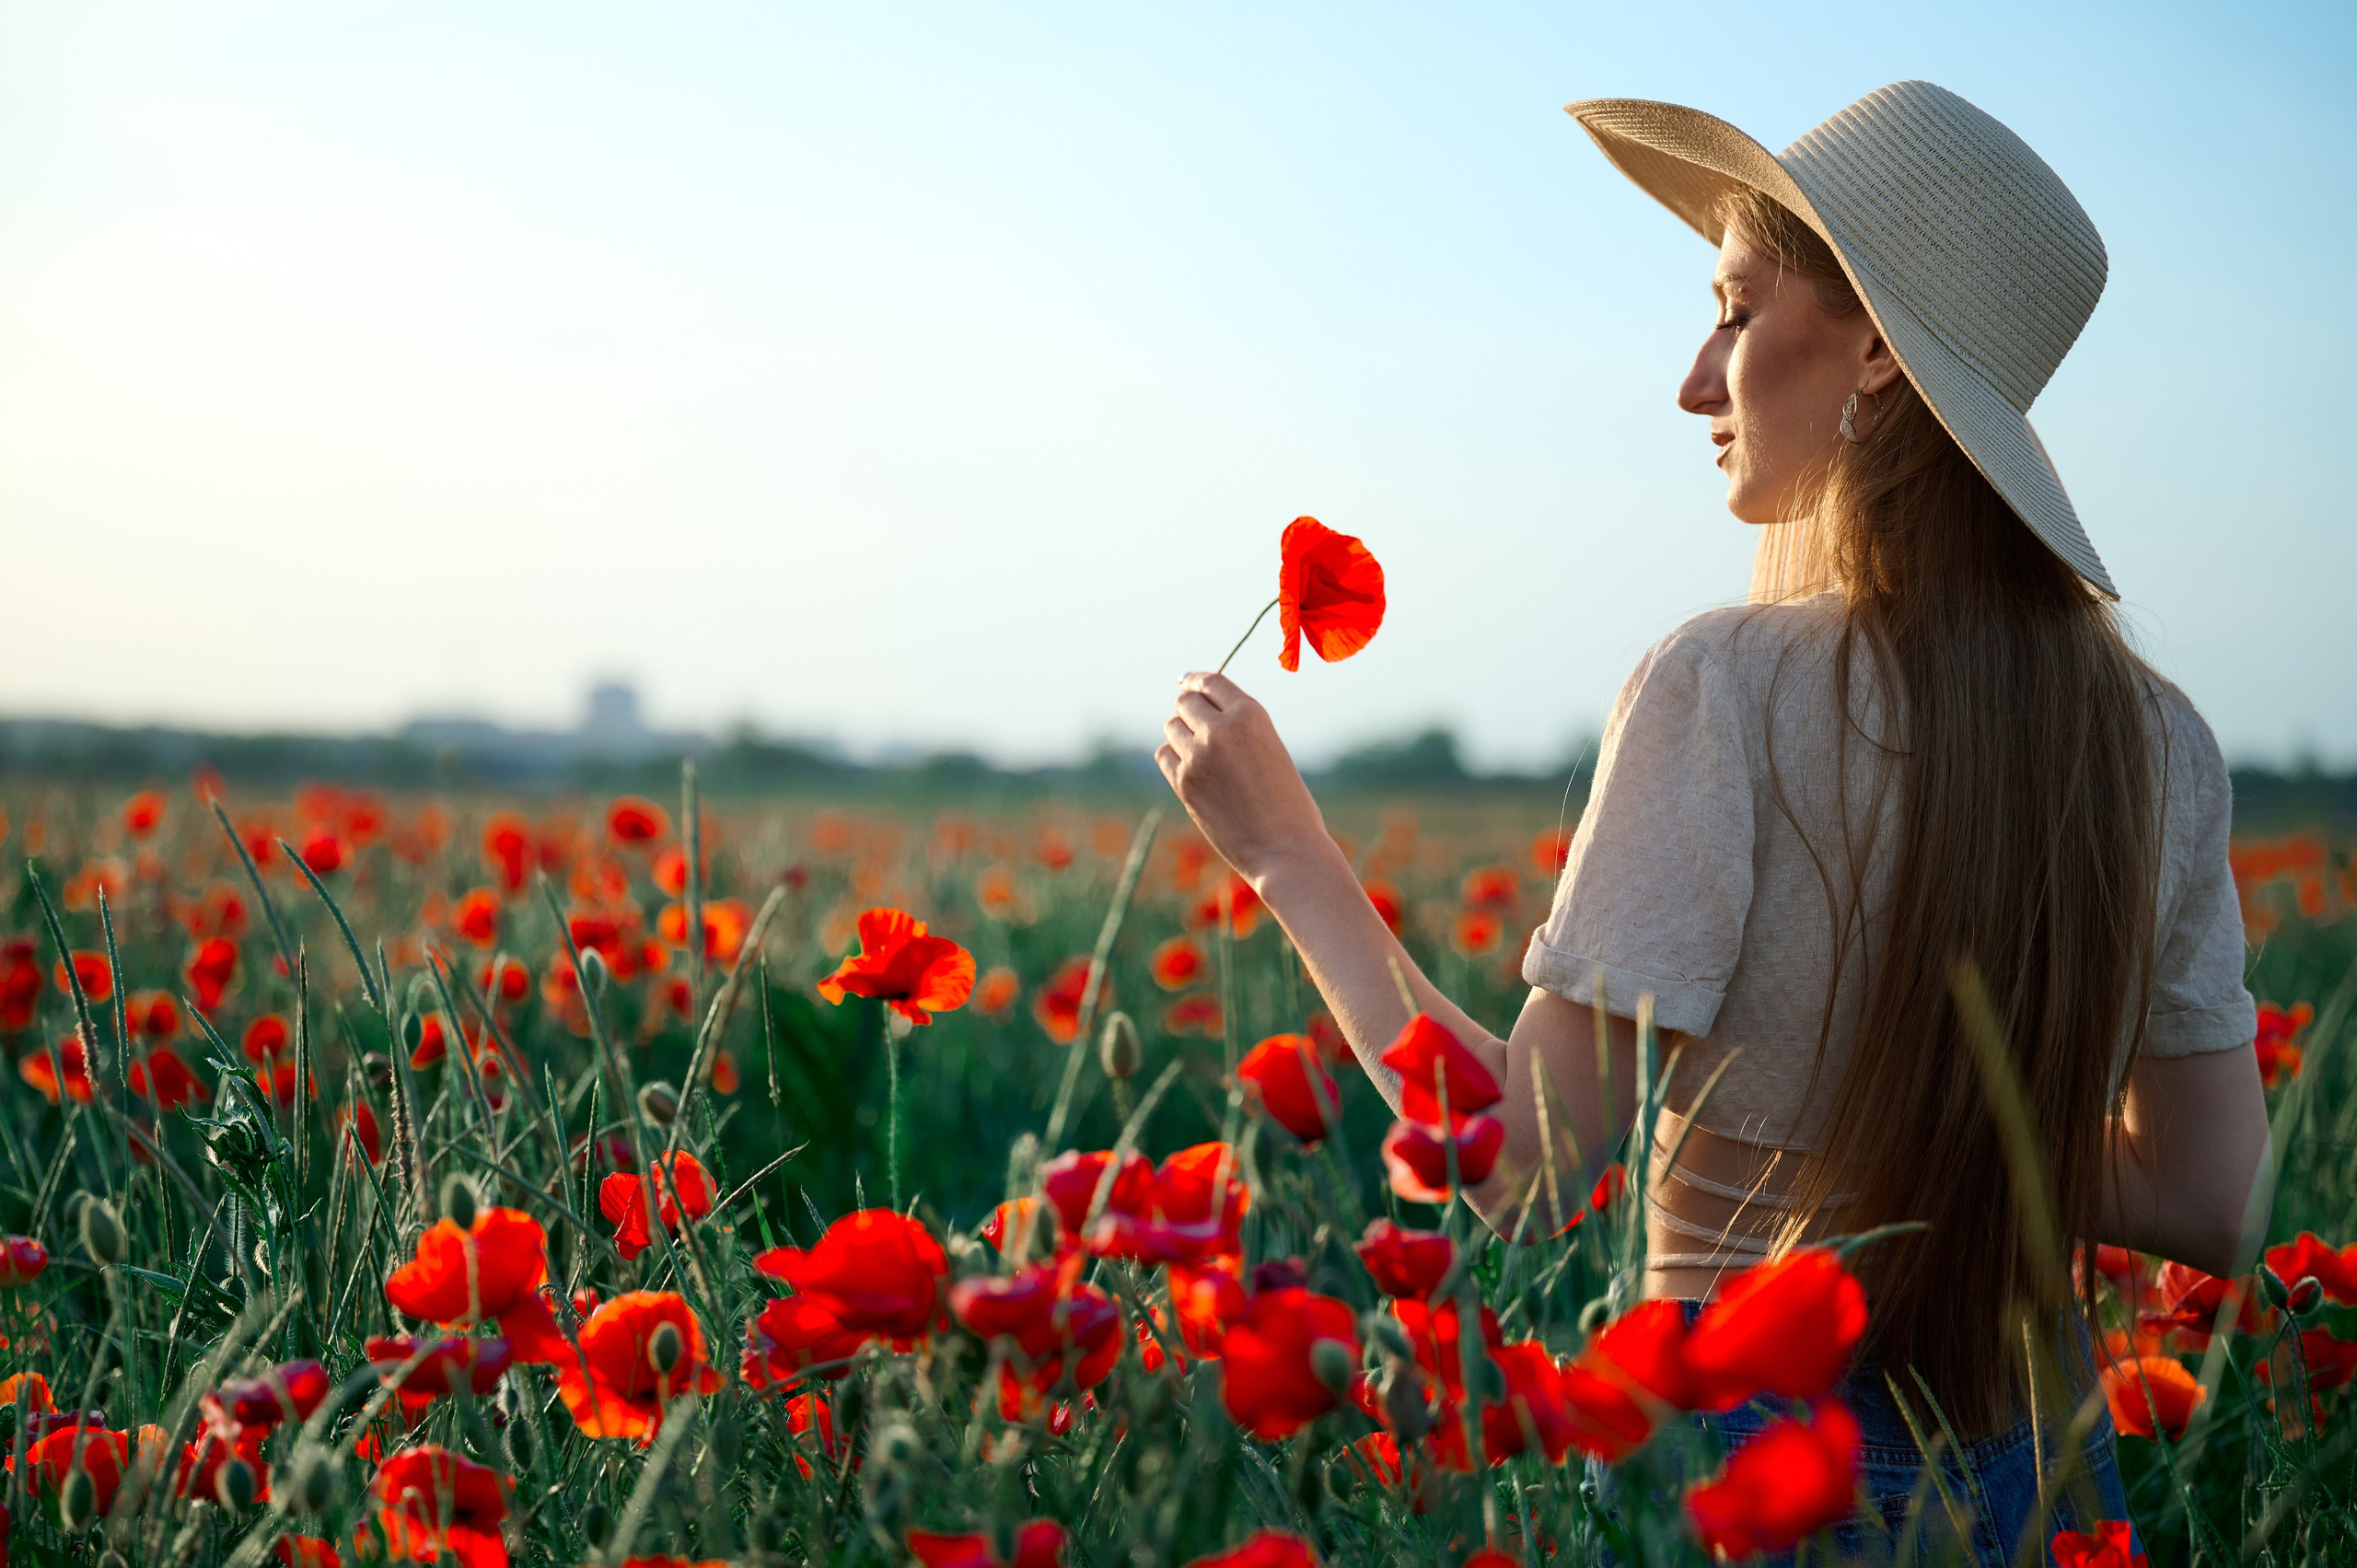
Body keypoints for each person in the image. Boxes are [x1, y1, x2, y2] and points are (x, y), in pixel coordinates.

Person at [1156, 81, 2270, 1564]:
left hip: (1749, 1447)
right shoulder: (2163, 749)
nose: (1697, 379)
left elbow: (1527, 1170)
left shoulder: (1723, 687)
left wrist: (1285, 855)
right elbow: (2212, 1194)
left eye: (1736, 311)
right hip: (2042, 1480)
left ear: (1875, 346)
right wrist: (1937, 1127)